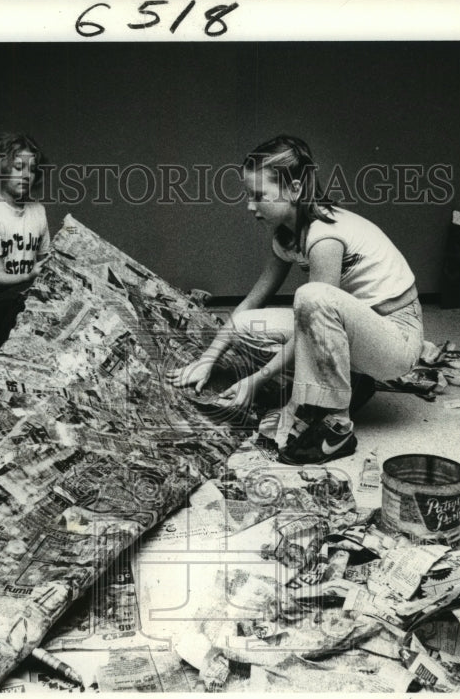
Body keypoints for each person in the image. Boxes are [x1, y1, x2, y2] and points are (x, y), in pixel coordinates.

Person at [167, 135, 423, 465]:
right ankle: (348, 383)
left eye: (259, 196)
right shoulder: (286, 235)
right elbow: (251, 302)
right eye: (247, 195)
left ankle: (338, 426)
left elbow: (313, 324)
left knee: (311, 296)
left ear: (296, 190)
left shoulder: (324, 236)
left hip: (395, 341)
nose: (250, 206)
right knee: (245, 325)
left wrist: (255, 382)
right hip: (357, 331)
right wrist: (208, 359)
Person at [0, 132, 52, 354]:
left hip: (24, 299)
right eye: (18, 167)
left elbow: (46, 261)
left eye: (32, 169)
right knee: (19, 297)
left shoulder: (38, 211)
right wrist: (30, 276)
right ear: (0, 170)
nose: (26, 175)